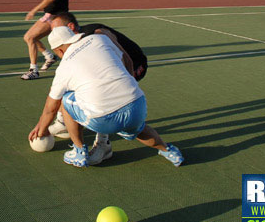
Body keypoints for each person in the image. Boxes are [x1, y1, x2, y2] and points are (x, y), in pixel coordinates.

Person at [28, 26, 183, 168]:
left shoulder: (63, 68)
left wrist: (41, 130)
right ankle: (169, 151)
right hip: (137, 104)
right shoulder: (99, 39)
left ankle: (79, 151)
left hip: (103, 119)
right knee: (138, 129)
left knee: (66, 97)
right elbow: (127, 60)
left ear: (59, 51)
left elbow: (51, 108)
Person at [47, 12, 148, 142]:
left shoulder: (97, 34)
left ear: (70, 27)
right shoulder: (75, 43)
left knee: (106, 93)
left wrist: (130, 84)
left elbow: (126, 60)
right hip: (121, 66)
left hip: (135, 64)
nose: (54, 33)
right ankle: (63, 122)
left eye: (57, 29)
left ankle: (103, 142)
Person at [21, 0, 70, 80]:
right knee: (30, 37)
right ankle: (49, 56)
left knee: (30, 37)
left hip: (56, 17)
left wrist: (34, 10)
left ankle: (34, 70)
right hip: (50, 15)